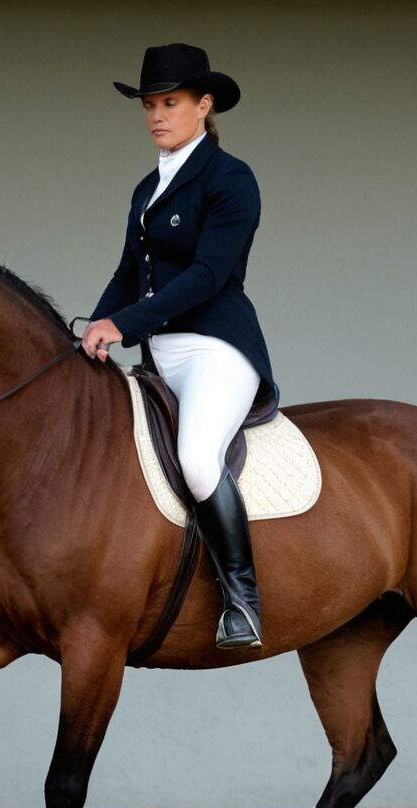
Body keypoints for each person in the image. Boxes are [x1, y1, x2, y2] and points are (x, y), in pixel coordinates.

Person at [82, 42, 279, 651]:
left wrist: (127, 325)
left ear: (204, 105)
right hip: (159, 356)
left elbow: (207, 275)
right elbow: (127, 272)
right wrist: (94, 324)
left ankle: (243, 599)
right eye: (149, 105)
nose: (157, 116)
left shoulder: (231, 178)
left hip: (217, 350)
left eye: (170, 103)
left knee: (196, 458)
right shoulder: (147, 187)